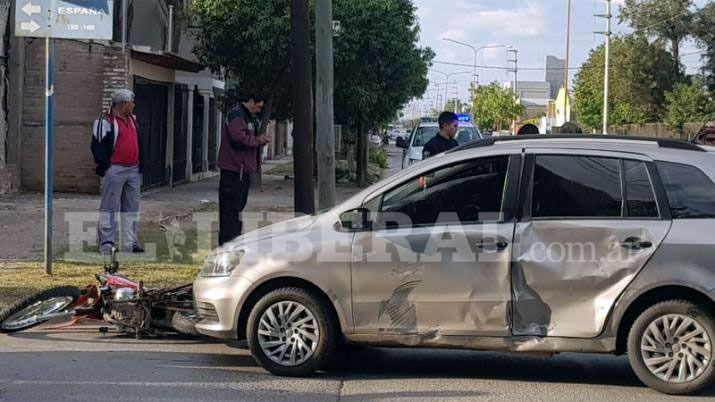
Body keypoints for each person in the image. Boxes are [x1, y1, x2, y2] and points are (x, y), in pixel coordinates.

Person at [92, 89, 144, 254]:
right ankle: (106, 244)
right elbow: (97, 145)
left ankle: (130, 243)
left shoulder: (132, 120)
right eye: (131, 102)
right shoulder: (105, 121)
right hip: (115, 169)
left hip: (133, 169)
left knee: (131, 208)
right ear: (123, 104)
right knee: (109, 207)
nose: (134, 105)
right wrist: (105, 166)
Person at [217, 94, 270, 246]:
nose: (259, 110)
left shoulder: (247, 117)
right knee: (230, 212)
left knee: (237, 210)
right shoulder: (237, 116)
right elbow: (238, 138)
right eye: (258, 106)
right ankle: (228, 245)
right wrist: (258, 141)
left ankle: (234, 242)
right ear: (251, 101)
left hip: (241, 171)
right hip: (234, 171)